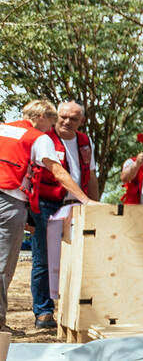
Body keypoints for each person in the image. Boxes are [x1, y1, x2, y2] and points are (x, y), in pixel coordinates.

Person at [27, 100, 102, 329]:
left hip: (78, 206)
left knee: (83, 256)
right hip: (48, 202)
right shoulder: (44, 139)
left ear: (82, 121)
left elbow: (91, 175)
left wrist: (94, 204)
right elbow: (48, 172)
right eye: (64, 117)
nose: (67, 122)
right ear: (56, 116)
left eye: (74, 118)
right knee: (44, 258)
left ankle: (80, 309)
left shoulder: (85, 141)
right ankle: (44, 312)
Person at [0, 100, 57, 334]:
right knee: (3, 264)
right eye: (50, 124)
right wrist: (83, 197)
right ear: (42, 116)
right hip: (10, 200)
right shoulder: (37, 137)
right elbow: (56, 168)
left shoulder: (2, 127)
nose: (49, 131)